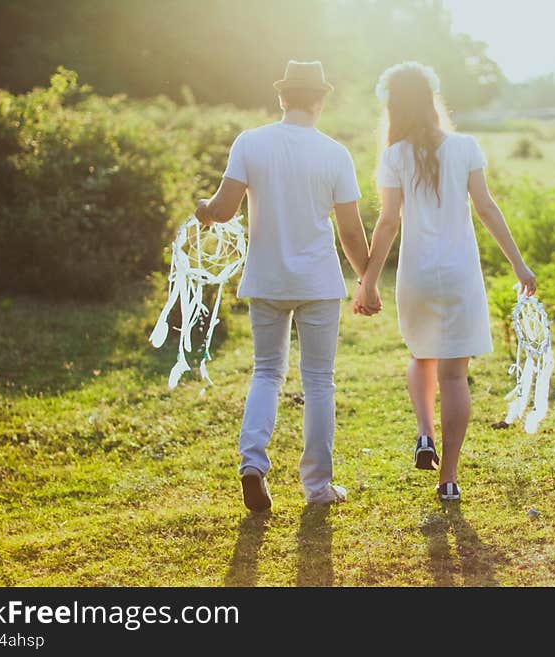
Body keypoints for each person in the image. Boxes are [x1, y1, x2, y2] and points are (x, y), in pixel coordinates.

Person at [196, 60, 374, 512]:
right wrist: (366, 280)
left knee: (267, 373)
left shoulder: (250, 143)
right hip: (317, 281)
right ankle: (318, 488)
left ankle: (252, 465)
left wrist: (204, 208)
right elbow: (352, 233)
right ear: (320, 100)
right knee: (318, 382)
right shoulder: (335, 153)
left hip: (268, 279)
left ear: (282, 98)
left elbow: (224, 209)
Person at [354, 62, 536, 503]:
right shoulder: (465, 147)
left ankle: (423, 434)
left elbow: (387, 223)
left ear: (394, 107)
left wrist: (368, 282)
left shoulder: (393, 156)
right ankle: (449, 479)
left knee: (421, 356)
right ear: (432, 100)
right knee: (455, 377)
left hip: (416, 275)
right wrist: (519, 264)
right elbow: (487, 209)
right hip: (459, 275)